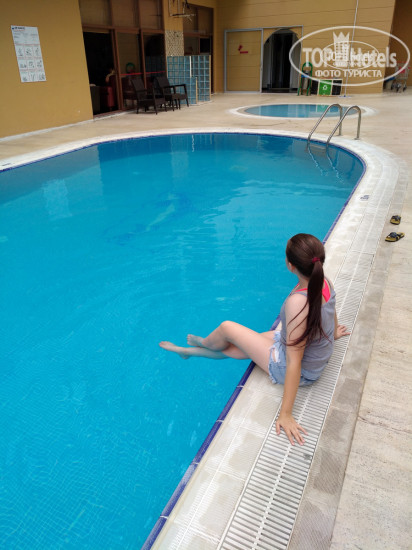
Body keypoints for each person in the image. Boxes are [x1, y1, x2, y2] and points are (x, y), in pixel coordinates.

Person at [159, 233, 350, 446]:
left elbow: (294, 362)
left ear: (290, 265)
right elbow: (331, 309)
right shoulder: (323, 280)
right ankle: (188, 352)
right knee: (241, 344)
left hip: (301, 368)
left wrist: (286, 414)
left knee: (227, 328)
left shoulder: (297, 303)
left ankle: (201, 343)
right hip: (302, 350)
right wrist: (333, 333)